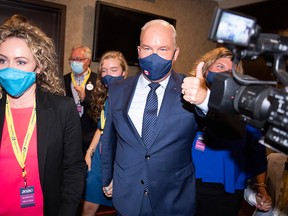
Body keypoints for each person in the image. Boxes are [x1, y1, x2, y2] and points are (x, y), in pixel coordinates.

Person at [101, 19, 209, 216]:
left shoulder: (192, 90)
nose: (154, 56)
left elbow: (228, 128)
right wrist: (107, 176)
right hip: (127, 195)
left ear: (176, 53)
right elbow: (110, 137)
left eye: (163, 49)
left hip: (173, 198)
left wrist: (205, 101)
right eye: (148, 48)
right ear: (139, 50)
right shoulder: (118, 89)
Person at [0, 15, 86, 215]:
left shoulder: (62, 109)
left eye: (21, 62)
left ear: (39, 66)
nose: (10, 69)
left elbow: (74, 168)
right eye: (2, 60)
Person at [189, 47, 271, 216]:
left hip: (228, 190)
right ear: (205, 71)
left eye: (232, 70)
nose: (226, 73)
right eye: (220, 67)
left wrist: (261, 188)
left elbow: (256, 152)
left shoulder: (247, 110)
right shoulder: (190, 101)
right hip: (189, 184)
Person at [81, 51, 128, 216]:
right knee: (88, 207)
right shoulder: (107, 96)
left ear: (124, 72)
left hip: (118, 160)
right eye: (104, 70)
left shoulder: (129, 99)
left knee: (122, 208)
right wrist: (89, 151)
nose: (108, 74)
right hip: (99, 159)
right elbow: (101, 128)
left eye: (113, 70)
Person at [64, 45, 98, 153]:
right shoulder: (63, 80)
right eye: (72, 59)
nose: (74, 62)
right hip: (68, 137)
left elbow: (100, 109)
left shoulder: (98, 81)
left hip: (89, 137)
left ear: (87, 61)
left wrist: (85, 98)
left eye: (78, 59)